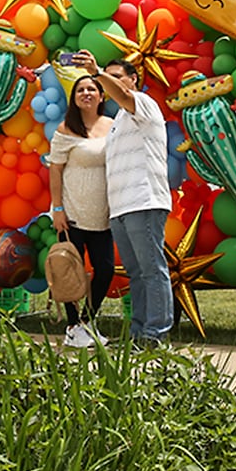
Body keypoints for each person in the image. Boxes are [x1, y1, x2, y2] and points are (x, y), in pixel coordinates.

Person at [78, 49, 171, 346]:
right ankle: (139, 333)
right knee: (137, 273)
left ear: (133, 80)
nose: (107, 83)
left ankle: (155, 334)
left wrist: (96, 72)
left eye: (115, 77)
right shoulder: (117, 120)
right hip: (121, 207)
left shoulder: (142, 103)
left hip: (144, 200)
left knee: (152, 269)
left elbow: (120, 94)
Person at [49, 72, 115, 348]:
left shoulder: (113, 126)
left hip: (104, 215)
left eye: (91, 89)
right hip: (72, 214)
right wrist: (58, 209)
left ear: (101, 96)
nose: (86, 94)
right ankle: (72, 326)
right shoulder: (66, 129)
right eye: (80, 91)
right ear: (74, 99)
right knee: (69, 270)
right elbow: (55, 168)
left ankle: (86, 323)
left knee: (105, 270)